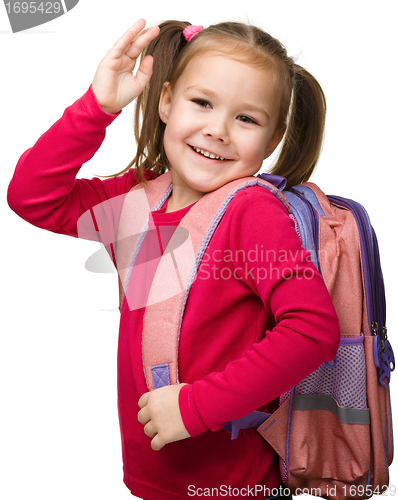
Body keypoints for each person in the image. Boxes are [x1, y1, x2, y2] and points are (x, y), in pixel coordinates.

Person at [7, 18, 340, 500]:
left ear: (273, 140)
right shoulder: (137, 198)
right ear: (166, 101)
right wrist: (97, 108)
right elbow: (33, 197)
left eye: (246, 118)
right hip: (153, 476)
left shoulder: (252, 211)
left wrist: (196, 406)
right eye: (202, 102)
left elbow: (311, 329)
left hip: (233, 484)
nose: (218, 130)